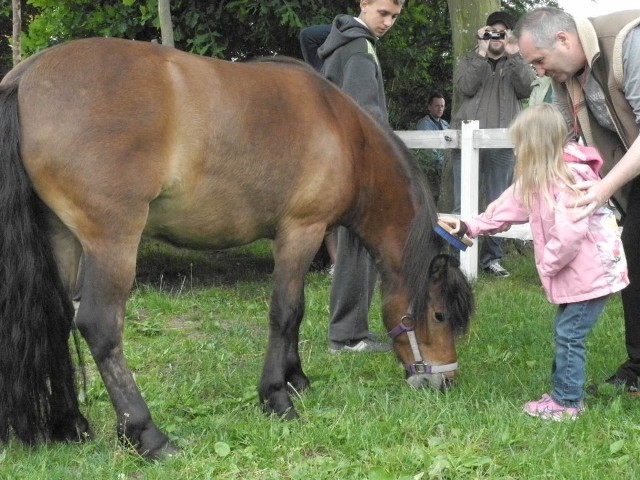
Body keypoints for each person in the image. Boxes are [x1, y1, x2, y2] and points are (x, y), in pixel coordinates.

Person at [441, 104, 629, 420]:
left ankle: (568, 403)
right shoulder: (539, 178)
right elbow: (509, 206)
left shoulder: (567, 181)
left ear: (534, 146)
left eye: (520, 146)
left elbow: (569, 236)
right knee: (566, 331)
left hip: (593, 276)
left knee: (570, 335)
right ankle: (563, 393)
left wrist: (547, 265)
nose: (516, 153)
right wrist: (472, 225)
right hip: (580, 276)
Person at [511, 7, 640, 393]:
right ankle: (638, 369)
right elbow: (568, 143)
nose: (538, 72)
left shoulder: (629, 41)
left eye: (539, 60)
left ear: (564, 41)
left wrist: (599, 191)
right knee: (634, 254)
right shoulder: (568, 78)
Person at [313, 0, 405, 353]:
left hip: (339, 161)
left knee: (357, 244)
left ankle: (348, 331)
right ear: (364, 3)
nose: (388, 22)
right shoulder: (360, 48)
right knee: (361, 245)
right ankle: (348, 336)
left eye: (395, 16)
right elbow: (366, 117)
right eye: (383, 13)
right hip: (358, 163)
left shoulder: (341, 41)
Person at [450, 10, 535, 278]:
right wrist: (480, 52)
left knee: (500, 203)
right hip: (465, 143)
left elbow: (526, 88)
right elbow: (464, 87)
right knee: (462, 202)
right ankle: (458, 257)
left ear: (510, 35)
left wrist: (514, 54)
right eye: (492, 31)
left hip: (502, 145)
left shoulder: (517, 62)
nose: (496, 37)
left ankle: (492, 260)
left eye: (502, 32)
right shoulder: (470, 59)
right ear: (484, 34)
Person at [299, 24, 338, 274]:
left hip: (341, 145)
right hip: (317, 143)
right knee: (320, 206)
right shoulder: (320, 65)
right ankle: (333, 262)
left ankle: (340, 263)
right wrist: (344, 27)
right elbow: (307, 35)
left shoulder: (356, 62)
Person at [417, 92, 449, 168]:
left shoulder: (445, 124)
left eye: (442, 106)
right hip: (432, 167)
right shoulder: (424, 124)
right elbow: (429, 150)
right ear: (429, 107)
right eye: (437, 106)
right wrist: (445, 163)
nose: (440, 109)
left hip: (446, 164)